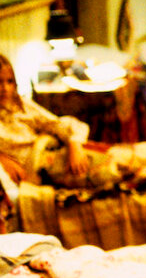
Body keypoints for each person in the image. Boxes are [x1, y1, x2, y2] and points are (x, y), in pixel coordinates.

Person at [0, 54, 118, 188]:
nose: (5, 89)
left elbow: (56, 124)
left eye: (9, 81)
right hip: (37, 169)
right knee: (110, 171)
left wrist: (74, 144)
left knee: (115, 157)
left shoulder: (19, 105)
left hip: (50, 151)